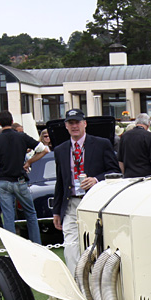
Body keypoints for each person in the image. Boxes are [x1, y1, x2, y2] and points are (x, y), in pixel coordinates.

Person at [52, 109, 119, 273]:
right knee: (70, 246)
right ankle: (77, 285)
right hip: (71, 203)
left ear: (84, 124)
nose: (74, 126)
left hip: (94, 202)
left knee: (95, 244)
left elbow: (115, 172)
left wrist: (96, 180)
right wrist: (56, 211)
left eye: (77, 122)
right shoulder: (60, 150)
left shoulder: (101, 144)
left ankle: (95, 279)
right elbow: (60, 181)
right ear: (66, 126)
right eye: (71, 123)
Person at [0, 109, 43, 245]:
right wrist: (29, 162)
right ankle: (37, 244)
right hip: (20, 180)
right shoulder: (22, 136)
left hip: (3, 181)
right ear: (12, 121)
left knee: (8, 217)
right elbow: (43, 149)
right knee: (30, 213)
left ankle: (13, 247)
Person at [119, 113, 151, 177]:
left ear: (136, 123)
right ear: (148, 124)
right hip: (146, 176)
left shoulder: (124, 136)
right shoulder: (149, 136)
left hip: (129, 176)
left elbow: (120, 161)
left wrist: (124, 174)